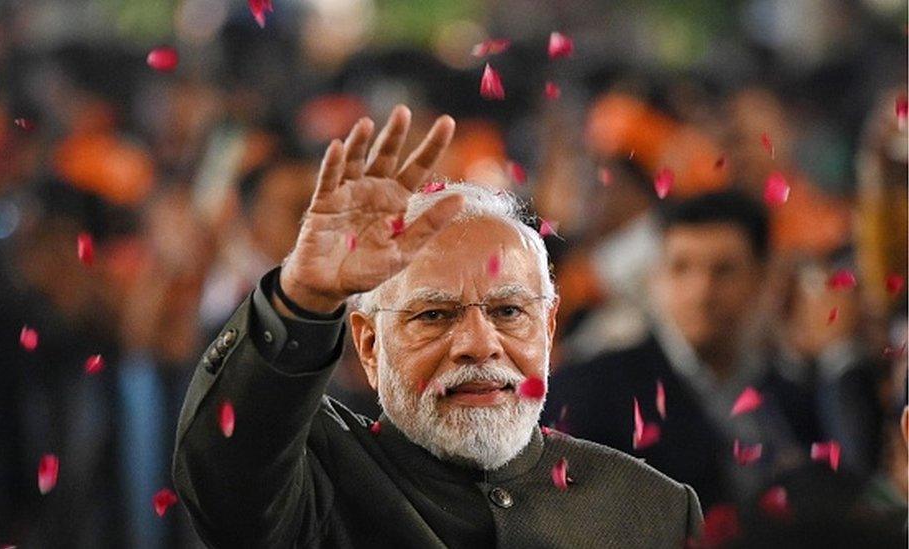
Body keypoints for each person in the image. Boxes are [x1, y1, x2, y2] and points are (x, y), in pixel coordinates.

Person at [172, 105, 703, 547]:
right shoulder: (315, 484)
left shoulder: (654, 512)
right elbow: (227, 473)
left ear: (548, 327)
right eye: (434, 315)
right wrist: (304, 296)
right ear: (369, 344)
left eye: (508, 312)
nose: (479, 344)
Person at [544, 191, 882, 512]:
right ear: (656, 278)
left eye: (724, 270)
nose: (701, 291)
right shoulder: (593, 390)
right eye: (681, 268)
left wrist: (837, 356)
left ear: (764, 278)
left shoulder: (794, 394)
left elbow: (852, 493)